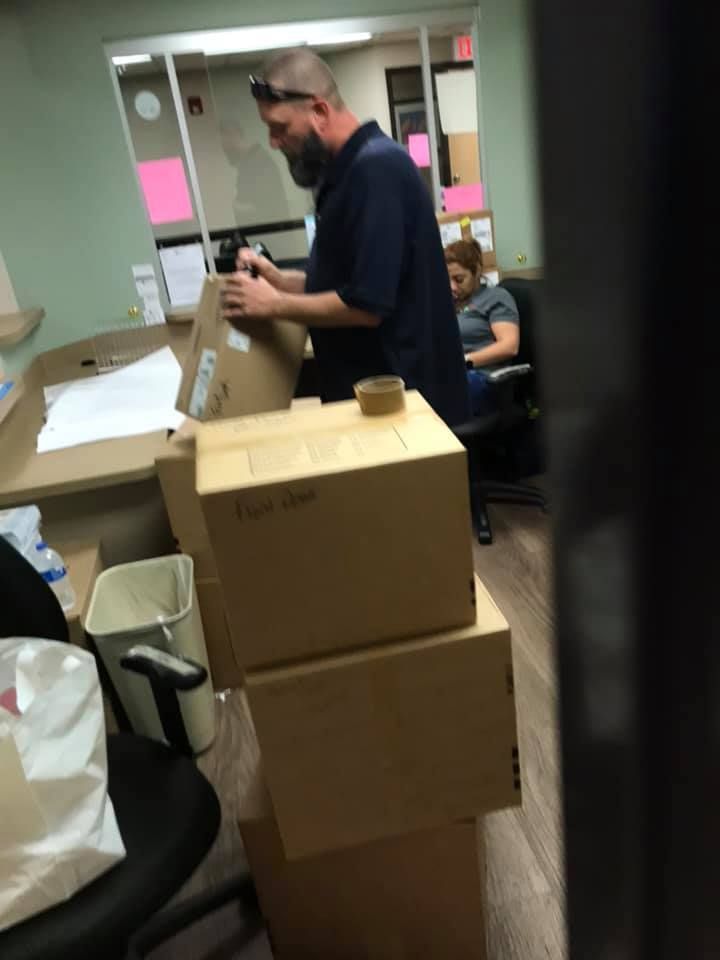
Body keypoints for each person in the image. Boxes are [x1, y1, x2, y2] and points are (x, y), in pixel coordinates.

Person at [222, 48, 470, 427]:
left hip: (407, 407)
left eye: (279, 127)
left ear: (319, 112)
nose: (273, 142)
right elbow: (350, 283)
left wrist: (273, 305)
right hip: (375, 400)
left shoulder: (376, 170)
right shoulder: (345, 174)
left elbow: (368, 304)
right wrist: (279, 281)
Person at [445, 240, 520, 415]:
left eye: (459, 279)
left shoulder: (495, 298)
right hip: (453, 375)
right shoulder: (449, 303)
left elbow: (510, 346)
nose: (452, 287)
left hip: (482, 378)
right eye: (446, 279)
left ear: (477, 271)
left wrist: (464, 361)